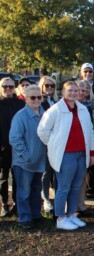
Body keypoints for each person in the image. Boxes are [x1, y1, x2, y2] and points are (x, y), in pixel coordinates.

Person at [37, 81, 94, 231]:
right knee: (64, 187)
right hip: (66, 155)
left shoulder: (82, 109)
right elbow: (42, 131)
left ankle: (70, 214)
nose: (73, 93)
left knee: (76, 186)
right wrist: (54, 145)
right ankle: (60, 217)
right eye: (70, 90)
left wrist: (92, 153)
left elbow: (89, 132)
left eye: (76, 90)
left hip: (81, 154)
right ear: (63, 93)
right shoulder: (55, 110)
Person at [9, 85, 46, 229]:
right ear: (25, 98)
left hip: (39, 161)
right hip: (24, 162)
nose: (37, 100)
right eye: (33, 97)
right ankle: (24, 218)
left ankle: (35, 215)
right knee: (24, 192)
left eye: (39, 97)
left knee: (36, 190)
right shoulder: (20, 116)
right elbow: (14, 139)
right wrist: (27, 156)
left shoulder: (44, 114)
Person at [0, 77, 25, 217]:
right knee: (3, 178)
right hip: (2, 149)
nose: (8, 89)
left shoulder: (20, 104)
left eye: (11, 86)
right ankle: (4, 204)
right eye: (5, 86)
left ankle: (16, 203)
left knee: (18, 178)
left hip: (18, 148)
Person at [39, 76, 58, 212]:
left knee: (56, 172)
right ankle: (46, 200)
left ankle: (57, 199)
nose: (49, 88)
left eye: (52, 86)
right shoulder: (38, 101)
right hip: (44, 142)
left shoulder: (57, 101)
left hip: (57, 142)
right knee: (46, 173)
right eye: (47, 86)